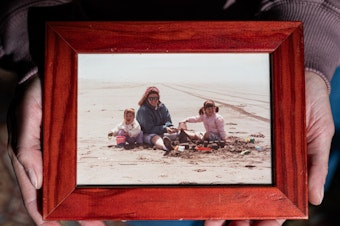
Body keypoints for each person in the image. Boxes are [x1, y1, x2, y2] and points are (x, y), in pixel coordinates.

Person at [1, 0, 339, 226]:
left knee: (301, 158)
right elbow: (148, 127)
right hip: (144, 127)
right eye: (150, 97)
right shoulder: (140, 112)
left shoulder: (188, 113)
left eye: (155, 97)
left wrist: (313, 38)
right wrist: (38, 34)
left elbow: (182, 122)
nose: (152, 101)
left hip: (279, 48)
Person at [136, 86, 177, 152]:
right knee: (155, 138)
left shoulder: (162, 106)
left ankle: (197, 137)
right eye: (151, 98)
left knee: (179, 132)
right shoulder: (144, 110)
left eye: (156, 98)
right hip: (147, 134)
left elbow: (167, 120)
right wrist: (164, 129)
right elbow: (148, 129)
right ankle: (165, 147)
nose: (154, 100)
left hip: (162, 131)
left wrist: (169, 127)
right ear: (147, 98)